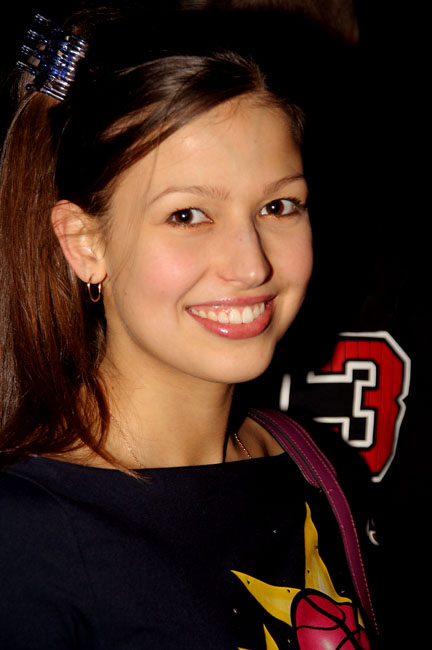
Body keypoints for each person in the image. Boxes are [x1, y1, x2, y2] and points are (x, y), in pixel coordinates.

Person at [0, 6, 377, 649]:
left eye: (278, 205)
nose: (252, 265)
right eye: (187, 215)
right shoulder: (26, 540)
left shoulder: (313, 466)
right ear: (85, 243)